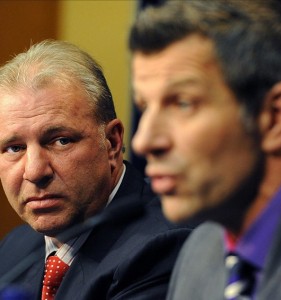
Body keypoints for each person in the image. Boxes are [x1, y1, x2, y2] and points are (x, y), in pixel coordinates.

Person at [129, 0, 281, 299]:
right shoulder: (200, 252)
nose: (143, 142)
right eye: (144, 106)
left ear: (275, 117)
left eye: (182, 103)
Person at [0, 39, 193, 300]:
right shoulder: (16, 248)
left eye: (61, 141)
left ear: (112, 142)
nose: (35, 172)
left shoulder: (162, 247)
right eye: (14, 148)